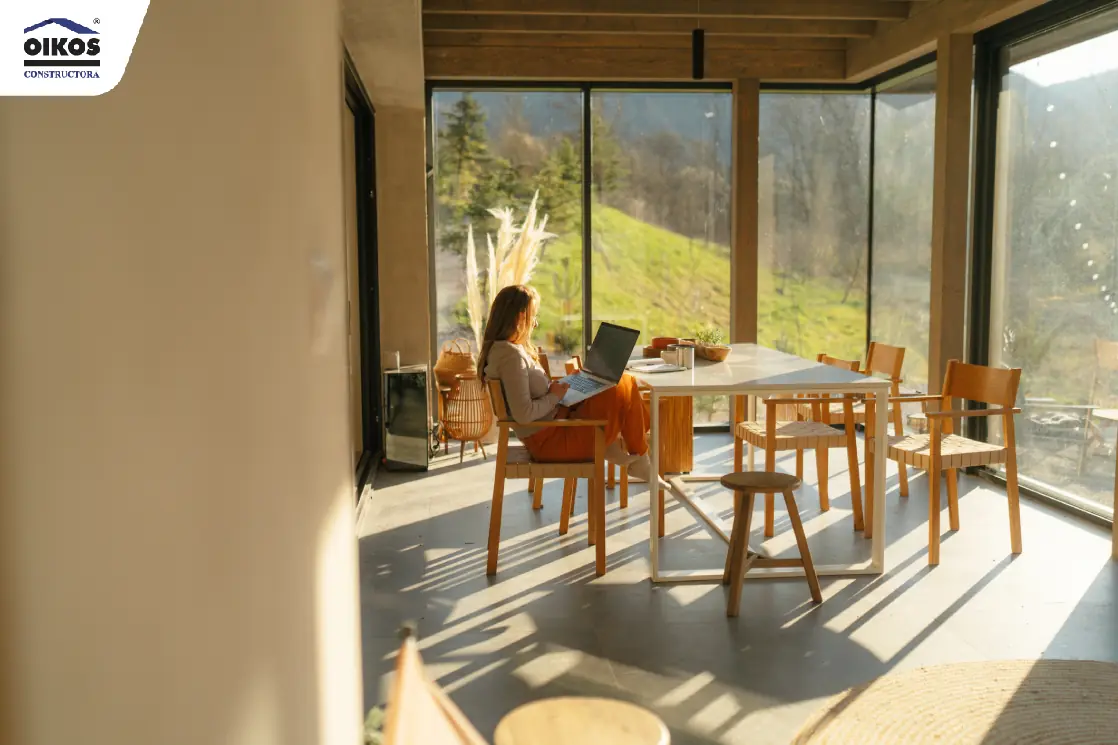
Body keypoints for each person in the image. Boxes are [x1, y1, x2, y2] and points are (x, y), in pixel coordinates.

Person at [478, 284, 665, 486]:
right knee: (624, 383)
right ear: (520, 317)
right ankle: (639, 455)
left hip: (553, 428)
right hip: (552, 443)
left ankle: (631, 455)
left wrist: (561, 386)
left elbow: (528, 396)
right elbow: (523, 413)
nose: (535, 324)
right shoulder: (510, 357)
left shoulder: (507, 351)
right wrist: (555, 396)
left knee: (616, 383)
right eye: (533, 316)